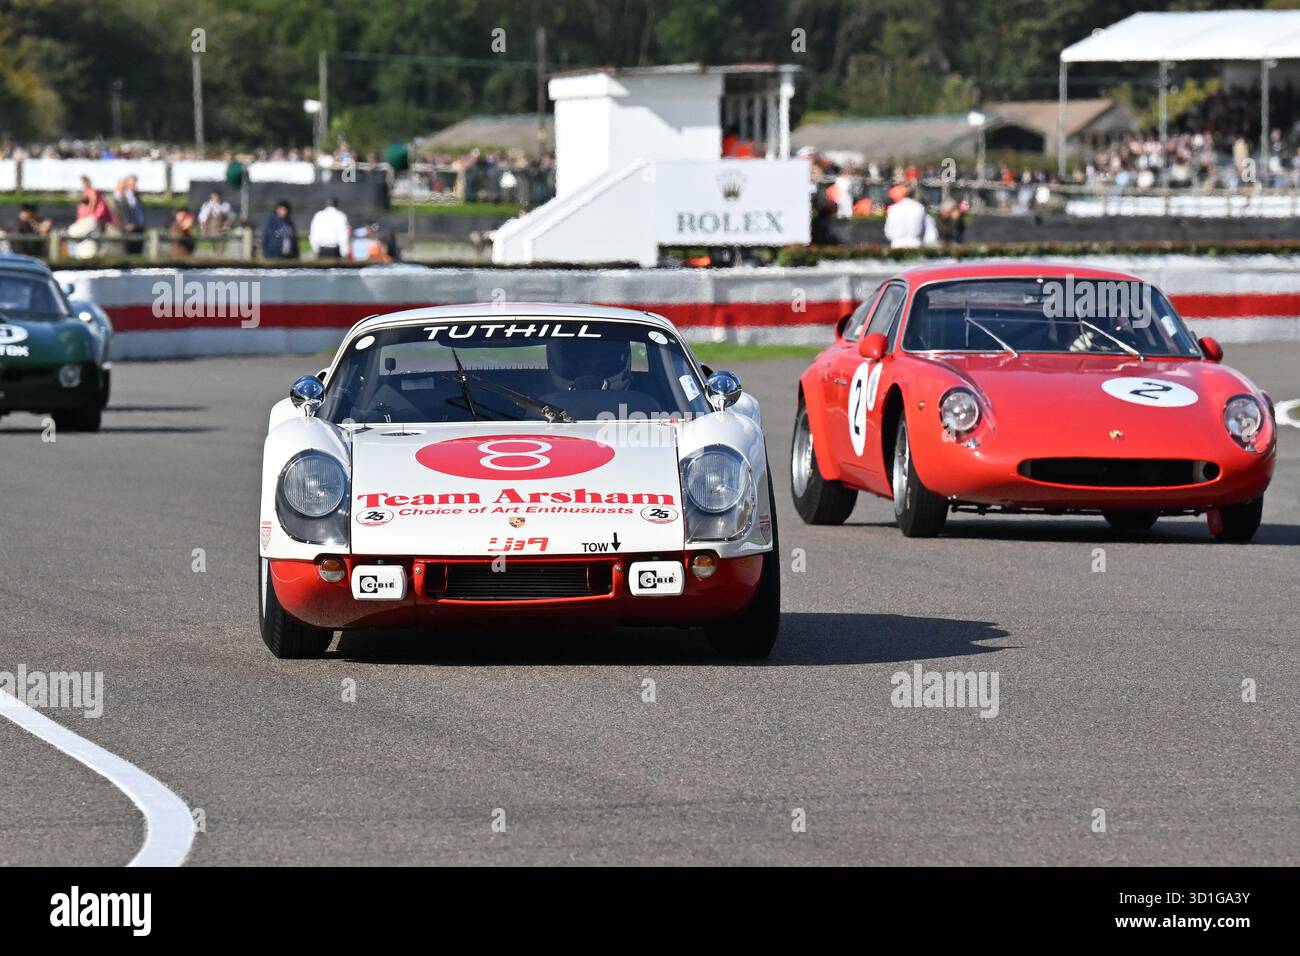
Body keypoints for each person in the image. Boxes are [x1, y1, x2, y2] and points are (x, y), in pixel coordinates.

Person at [883, 182, 927, 249]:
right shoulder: (919, 207)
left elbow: (888, 230)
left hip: (897, 244)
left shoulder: (893, 208)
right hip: (915, 243)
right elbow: (924, 229)